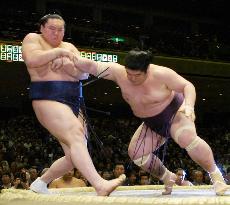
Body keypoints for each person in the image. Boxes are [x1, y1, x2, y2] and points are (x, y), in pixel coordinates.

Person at [70, 49, 228, 195]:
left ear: (147, 69)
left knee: (186, 138)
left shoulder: (161, 73)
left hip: (174, 112)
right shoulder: (118, 72)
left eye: (137, 75)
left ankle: (217, 177)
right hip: (152, 122)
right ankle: (168, 177)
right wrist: (72, 59)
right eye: (129, 73)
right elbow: (92, 65)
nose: (131, 78)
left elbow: (187, 85)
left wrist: (189, 106)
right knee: (136, 154)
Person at [21, 13, 125, 196]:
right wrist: (59, 53)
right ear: (42, 28)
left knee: (74, 155)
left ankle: (40, 183)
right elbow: (32, 60)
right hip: (48, 96)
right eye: (52, 29)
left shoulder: (69, 46)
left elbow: (83, 74)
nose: (56, 33)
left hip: (75, 100)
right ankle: (100, 185)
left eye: (60, 30)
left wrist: (67, 66)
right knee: (76, 136)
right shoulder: (32, 39)